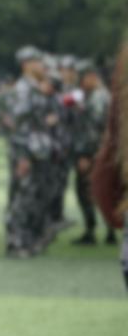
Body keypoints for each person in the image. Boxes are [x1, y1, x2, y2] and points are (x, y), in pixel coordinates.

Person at [6, 46, 55, 258]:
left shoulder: (35, 88)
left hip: (37, 151)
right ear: (26, 64)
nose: (42, 66)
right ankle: (15, 242)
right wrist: (22, 157)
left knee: (34, 198)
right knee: (21, 199)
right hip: (25, 152)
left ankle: (28, 239)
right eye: (37, 62)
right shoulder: (23, 90)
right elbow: (18, 126)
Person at [71, 60, 113, 245]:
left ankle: (92, 230)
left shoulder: (97, 97)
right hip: (102, 153)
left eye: (82, 78)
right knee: (103, 191)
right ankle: (109, 231)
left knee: (86, 191)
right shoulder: (101, 95)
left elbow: (93, 130)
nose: (81, 83)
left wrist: (85, 155)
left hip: (93, 154)